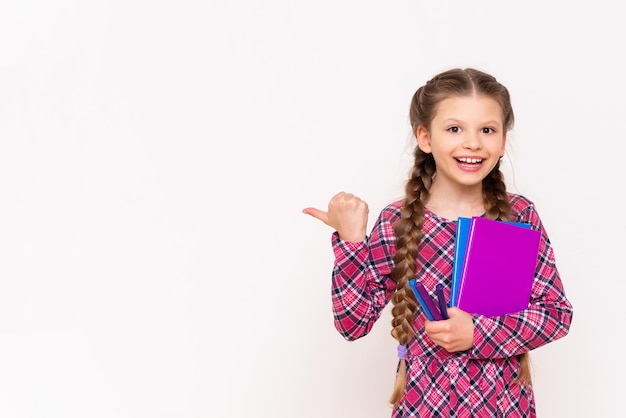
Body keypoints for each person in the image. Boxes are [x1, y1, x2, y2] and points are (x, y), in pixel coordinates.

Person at [302, 68, 573, 417]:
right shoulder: (396, 222)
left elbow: (556, 314)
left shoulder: (518, 216)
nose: (472, 143)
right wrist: (353, 241)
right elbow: (353, 324)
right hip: (423, 408)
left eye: (487, 130)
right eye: (454, 128)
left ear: (503, 140)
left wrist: (477, 333)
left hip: (504, 409)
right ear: (425, 137)